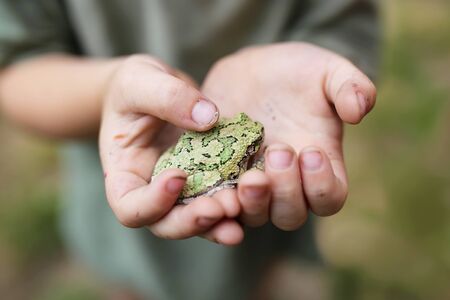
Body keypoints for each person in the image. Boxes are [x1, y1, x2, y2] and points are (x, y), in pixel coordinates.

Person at [0, 1, 379, 299]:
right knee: (132, 282)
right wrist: (109, 88)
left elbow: (343, 19)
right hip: (135, 172)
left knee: (252, 267)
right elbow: (14, 68)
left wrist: (317, 71)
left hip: (257, 217)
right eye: (250, 142)